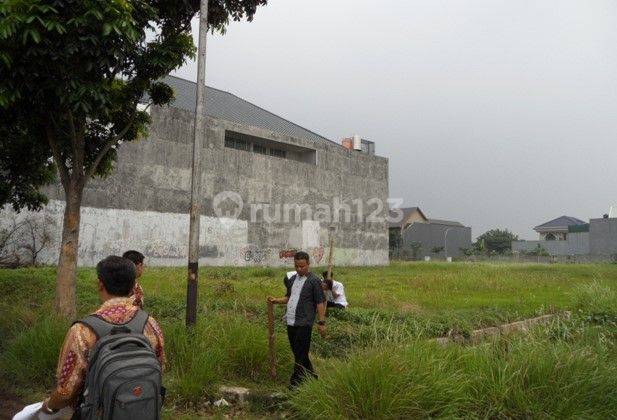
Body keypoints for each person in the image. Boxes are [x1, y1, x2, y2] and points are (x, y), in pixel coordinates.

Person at [39, 256, 165, 416]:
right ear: (134, 285)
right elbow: (159, 369)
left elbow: (66, 392)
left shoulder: (82, 331)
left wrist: (49, 406)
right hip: (141, 411)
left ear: (100, 284)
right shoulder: (151, 324)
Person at [268, 251, 326, 387]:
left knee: (300, 353)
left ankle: (295, 384)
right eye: (297, 266)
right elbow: (289, 297)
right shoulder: (292, 279)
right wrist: (276, 300)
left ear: (308, 265)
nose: (299, 269)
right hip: (291, 321)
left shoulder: (314, 281)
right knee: (298, 352)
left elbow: (320, 302)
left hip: (304, 322)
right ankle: (311, 377)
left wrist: (321, 322)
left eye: (302, 267)